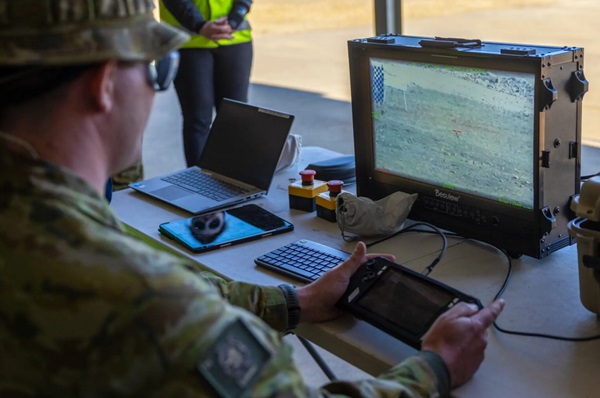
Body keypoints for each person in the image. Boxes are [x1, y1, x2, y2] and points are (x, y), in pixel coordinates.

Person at [0, 1, 504, 396]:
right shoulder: (139, 301)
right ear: (104, 84)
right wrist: (435, 367)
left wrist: (293, 301)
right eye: (158, 67)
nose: (156, 90)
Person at [160, 0, 254, 167]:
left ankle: (236, 183)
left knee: (236, 118)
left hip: (235, 38)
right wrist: (199, 24)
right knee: (198, 121)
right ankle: (199, 185)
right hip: (188, 42)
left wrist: (235, 17)